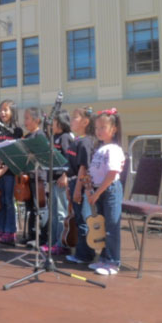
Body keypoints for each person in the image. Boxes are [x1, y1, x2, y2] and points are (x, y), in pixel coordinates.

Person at [87, 108, 125, 276]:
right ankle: (103, 258)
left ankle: (113, 262)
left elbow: (111, 174)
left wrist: (97, 193)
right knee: (102, 226)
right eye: (97, 128)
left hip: (110, 190)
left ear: (113, 129)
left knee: (111, 226)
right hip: (99, 190)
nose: (99, 131)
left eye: (103, 127)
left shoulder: (114, 149)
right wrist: (90, 190)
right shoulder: (100, 149)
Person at [65, 106, 98, 265]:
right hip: (73, 182)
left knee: (83, 219)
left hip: (81, 185)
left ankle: (85, 254)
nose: (71, 121)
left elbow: (83, 168)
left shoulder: (86, 142)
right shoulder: (78, 140)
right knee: (78, 218)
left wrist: (78, 189)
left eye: (75, 117)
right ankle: (81, 252)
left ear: (85, 122)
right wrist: (69, 187)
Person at [0, 99, 23, 245]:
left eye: (6, 110)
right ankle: (1, 229)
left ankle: (10, 231)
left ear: (12, 112)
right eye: (1, 110)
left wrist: (3, 170)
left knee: (8, 201)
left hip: (9, 173)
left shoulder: (17, 131)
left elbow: (16, 154)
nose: (2, 113)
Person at [40, 109, 74, 256]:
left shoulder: (65, 138)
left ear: (60, 122)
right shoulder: (53, 137)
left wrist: (65, 175)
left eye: (53, 121)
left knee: (61, 213)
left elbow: (69, 159)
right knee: (53, 213)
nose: (50, 124)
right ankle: (52, 242)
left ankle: (61, 243)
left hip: (61, 180)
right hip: (53, 179)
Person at [21, 107, 48, 247]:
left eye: (27, 118)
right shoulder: (26, 137)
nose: (24, 121)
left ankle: (41, 238)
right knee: (30, 207)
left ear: (37, 120)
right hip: (28, 177)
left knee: (40, 207)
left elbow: (42, 156)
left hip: (39, 177)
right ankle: (31, 235)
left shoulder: (41, 136)